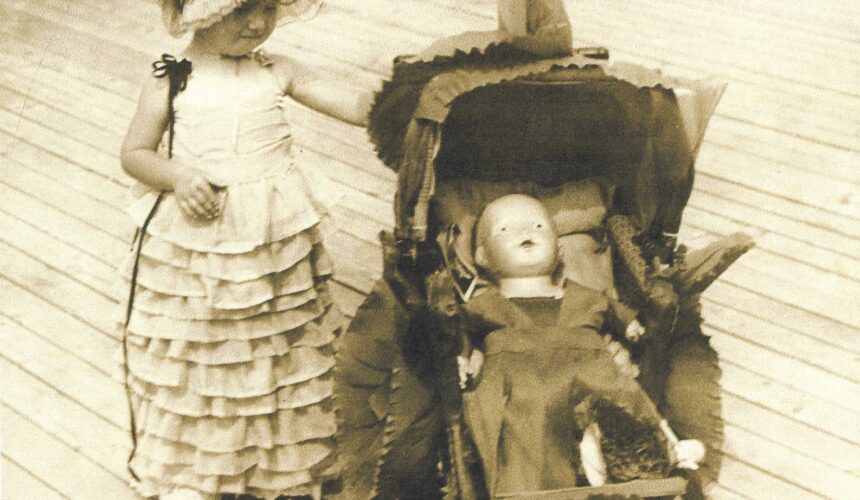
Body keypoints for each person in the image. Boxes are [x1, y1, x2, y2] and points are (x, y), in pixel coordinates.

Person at [117, 1, 372, 498]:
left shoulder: (277, 70)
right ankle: (203, 470)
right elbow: (134, 153)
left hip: (273, 240)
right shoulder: (171, 76)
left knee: (276, 352)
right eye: (240, 10)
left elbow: (360, 108)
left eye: (268, 9)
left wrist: (414, 94)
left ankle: (278, 468)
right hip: (203, 243)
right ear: (197, 11)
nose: (256, 23)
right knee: (209, 360)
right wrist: (178, 176)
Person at [457, 194, 703, 495]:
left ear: (559, 248)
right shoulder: (485, 306)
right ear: (483, 257)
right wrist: (464, 357)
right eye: (505, 230)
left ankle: (654, 459)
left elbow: (610, 310)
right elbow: (460, 333)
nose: (526, 232)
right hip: (520, 383)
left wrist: (631, 326)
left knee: (619, 406)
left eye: (538, 226)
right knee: (522, 429)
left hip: (590, 371)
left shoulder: (583, 296)